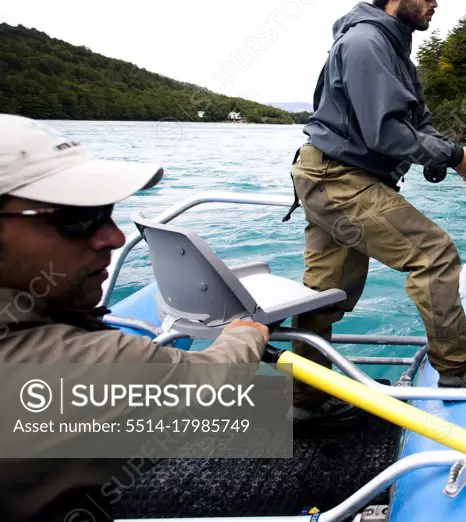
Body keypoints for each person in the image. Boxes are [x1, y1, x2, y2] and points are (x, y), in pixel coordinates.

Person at [0, 114, 270, 521]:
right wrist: (245, 334)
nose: (113, 237)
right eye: (75, 218)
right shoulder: (84, 370)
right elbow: (214, 387)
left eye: (104, 211)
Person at [287, 0, 466, 416]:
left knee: (324, 292)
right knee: (433, 254)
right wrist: (454, 156)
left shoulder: (392, 49)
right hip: (339, 179)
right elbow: (383, 133)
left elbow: (416, 123)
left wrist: (446, 159)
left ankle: (303, 395)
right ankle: (457, 367)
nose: (435, 3)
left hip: (330, 176)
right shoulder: (367, 43)